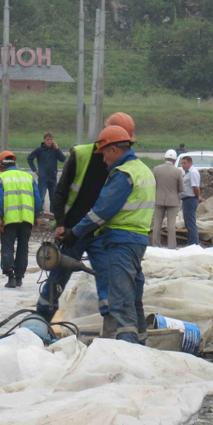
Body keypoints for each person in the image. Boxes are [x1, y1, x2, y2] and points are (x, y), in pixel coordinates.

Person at [36, 112, 137, 334]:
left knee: (106, 278)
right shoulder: (81, 155)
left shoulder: (124, 165)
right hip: (72, 231)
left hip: (99, 233)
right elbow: (60, 192)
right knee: (57, 279)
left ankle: (110, 330)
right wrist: (61, 224)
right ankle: (39, 323)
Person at [60, 125, 154, 344]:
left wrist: (75, 232)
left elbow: (102, 211)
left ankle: (127, 348)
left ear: (113, 149)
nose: (103, 160)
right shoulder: (143, 169)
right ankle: (140, 342)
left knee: (120, 299)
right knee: (134, 297)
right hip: (138, 240)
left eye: (103, 153)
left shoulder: (123, 174)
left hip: (121, 241)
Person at [0, 151, 41, 289]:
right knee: (23, 248)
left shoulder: (1, 178)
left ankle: (10, 276)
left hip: (9, 219)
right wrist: (37, 215)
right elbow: (37, 198)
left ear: (1, 165)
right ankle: (19, 277)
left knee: (7, 246)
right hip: (26, 219)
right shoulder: (28, 177)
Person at [27, 133, 66, 215]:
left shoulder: (54, 150)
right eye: (47, 139)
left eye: (51, 139)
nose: (49, 141)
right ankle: (39, 214)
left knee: (53, 198)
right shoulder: (40, 149)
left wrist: (57, 149)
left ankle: (52, 215)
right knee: (41, 197)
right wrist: (34, 170)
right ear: (44, 140)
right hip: (43, 178)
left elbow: (63, 159)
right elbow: (29, 158)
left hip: (53, 177)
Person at [151, 149, 183, 248]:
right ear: (174, 160)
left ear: (165, 158)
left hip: (159, 199)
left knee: (157, 223)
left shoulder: (156, 169)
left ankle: (155, 244)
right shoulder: (178, 171)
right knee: (171, 225)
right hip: (173, 201)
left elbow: (152, 185)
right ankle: (171, 246)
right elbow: (181, 188)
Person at [179, 155, 205, 246]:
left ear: (190, 163)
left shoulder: (193, 172)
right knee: (188, 223)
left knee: (190, 223)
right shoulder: (187, 173)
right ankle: (191, 242)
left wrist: (197, 197)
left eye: (185, 163)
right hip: (186, 199)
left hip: (190, 199)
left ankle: (194, 244)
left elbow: (196, 187)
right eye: (182, 163)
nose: (183, 165)